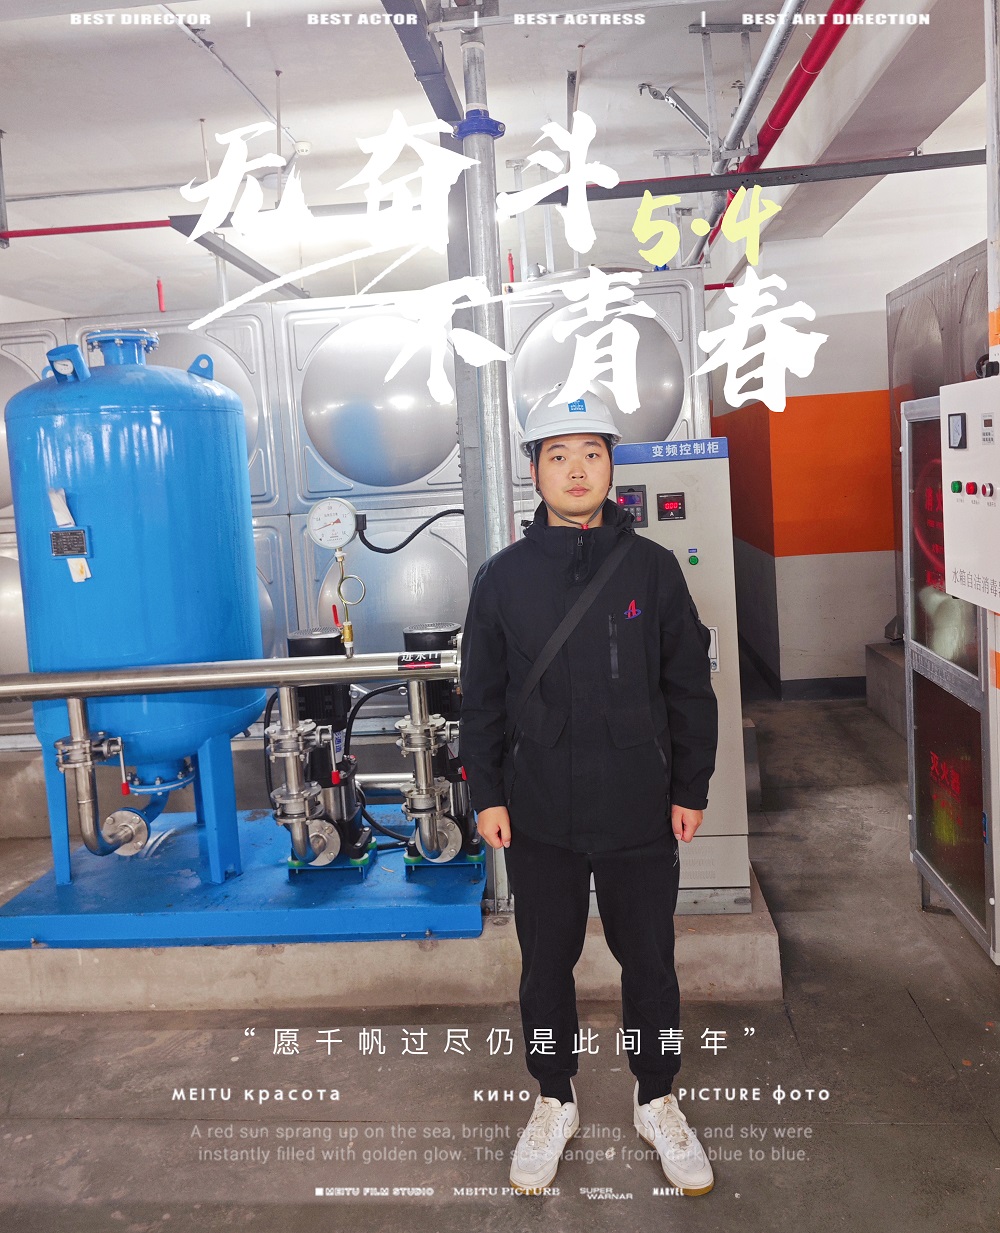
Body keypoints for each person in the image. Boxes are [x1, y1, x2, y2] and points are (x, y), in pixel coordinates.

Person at [459, 388, 719, 1197]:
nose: (576, 469)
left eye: (592, 454)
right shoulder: (502, 579)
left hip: (640, 805)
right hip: (539, 811)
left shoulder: (652, 569)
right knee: (546, 964)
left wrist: (690, 784)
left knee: (651, 961)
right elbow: (482, 698)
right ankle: (554, 1097)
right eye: (558, 455)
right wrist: (488, 793)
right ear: (534, 469)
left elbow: (688, 687)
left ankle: (656, 1097)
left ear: (611, 465)